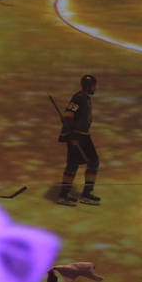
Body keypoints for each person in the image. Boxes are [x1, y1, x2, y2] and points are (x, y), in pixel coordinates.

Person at [58, 75, 100, 206]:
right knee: (76, 163)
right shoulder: (79, 98)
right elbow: (68, 115)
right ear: (88, 86)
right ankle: (65, 195)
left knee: (90, 162)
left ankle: (85, 192)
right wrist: (72, 136)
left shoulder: (85, 98)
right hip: (77, 136)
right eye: (93, 85)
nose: (95, 88)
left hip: (83, 135)